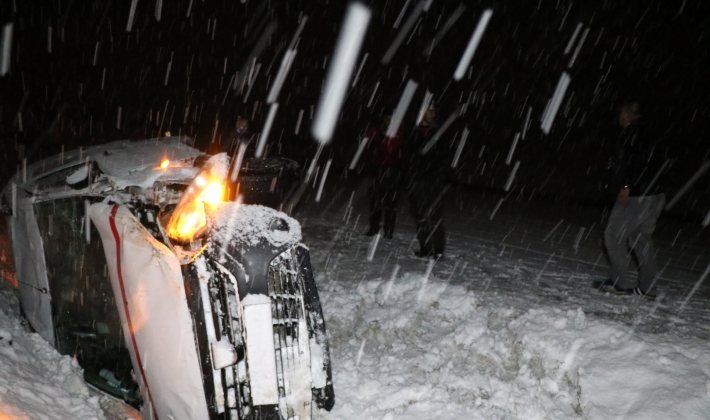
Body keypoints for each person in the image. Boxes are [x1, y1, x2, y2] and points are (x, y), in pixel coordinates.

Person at [600, 101, 665, 301]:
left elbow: (631, 162)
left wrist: (626, 186)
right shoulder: (652, 132)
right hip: (655, 195)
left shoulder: (632, 133)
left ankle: (619, 283)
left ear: (629, 113)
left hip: (637, 196)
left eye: (621, 111)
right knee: (640, 239)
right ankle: (648, 288)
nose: (619, 116)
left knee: (613, 235)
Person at [401, 104, 449, 259]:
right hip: (416, 180)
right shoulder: (413, 134)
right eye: (430, 110)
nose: (433, 113)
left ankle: (438, 250)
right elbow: (407, 156)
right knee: (420, 216)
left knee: (434, 216)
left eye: (435, 110)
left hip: (433, 180)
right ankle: (426, 247)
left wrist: (438, 172)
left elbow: (444, 157)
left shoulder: (439, 134)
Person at [364, 113, 404, 239]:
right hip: (377, 168)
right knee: (375, 201)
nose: (389, 122)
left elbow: (392, 148)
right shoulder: (375, 130)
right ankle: (374, 228)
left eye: (392, 119)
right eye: (387, 119)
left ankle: (388, 229)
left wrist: (383, 139)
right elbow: (369, 145)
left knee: (390, 203)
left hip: (391, 169)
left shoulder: (398, 132)